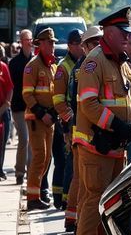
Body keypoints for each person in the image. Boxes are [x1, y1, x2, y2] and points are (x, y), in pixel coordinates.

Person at [73, 9, 131, 235]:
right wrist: (115, 125)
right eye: (123, 33)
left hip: (116, 147)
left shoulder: (123, 63)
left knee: (108, 202)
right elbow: (88, 103)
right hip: (95, 144)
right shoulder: (94, 61)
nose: (127, 38)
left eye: (129, 34)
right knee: (92, 199)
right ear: (108, 33)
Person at [63, 26, 102, 233]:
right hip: (84, 130)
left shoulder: (90, 65)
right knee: (82, 179)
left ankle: (73, 217)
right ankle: (75, 219)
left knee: (83, 180)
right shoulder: (83, 69)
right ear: (85, 47)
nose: (97, 47)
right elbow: (76, 102)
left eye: (99, 42)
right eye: (93, 43)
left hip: (88, 130)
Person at [22, 28, 59, 210]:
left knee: (47, 158)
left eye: (53, 42)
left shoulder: (52, 66)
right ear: (41, 44)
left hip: (48, 120)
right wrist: (42, 113)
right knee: (39, 156)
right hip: (36, 119)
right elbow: (27, 95)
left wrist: (52, 113)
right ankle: (32, 198)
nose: (53, 45)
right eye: (50, 42)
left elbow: (54, 94)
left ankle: (35, 193)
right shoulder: (33, 65)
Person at [51, 29, 84, 209]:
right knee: (69, 162)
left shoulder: (83, 63)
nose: (82, 46)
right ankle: (65, 200)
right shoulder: (63, 68)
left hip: (79, 121)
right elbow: (58, 100)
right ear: (71, 45)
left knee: (75, 163)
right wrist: (68, 123)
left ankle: (68, 199)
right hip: (68, 122)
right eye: (79, 43)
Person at [9, 29, 34, 185]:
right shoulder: (14, 63)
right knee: (24, 139)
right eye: (26, 39)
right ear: (21, 41)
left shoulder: (35, 61)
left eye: (31, 39)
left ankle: (31, 172)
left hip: (32, 107)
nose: (29, 42)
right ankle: (19, 171)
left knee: (32, 140)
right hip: (18, 107)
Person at [0, 51, 12, 180]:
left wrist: (6, 105)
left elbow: (10, 88)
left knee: (1, 143)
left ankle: (0, 169)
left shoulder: (3, 67)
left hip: (2, 111)